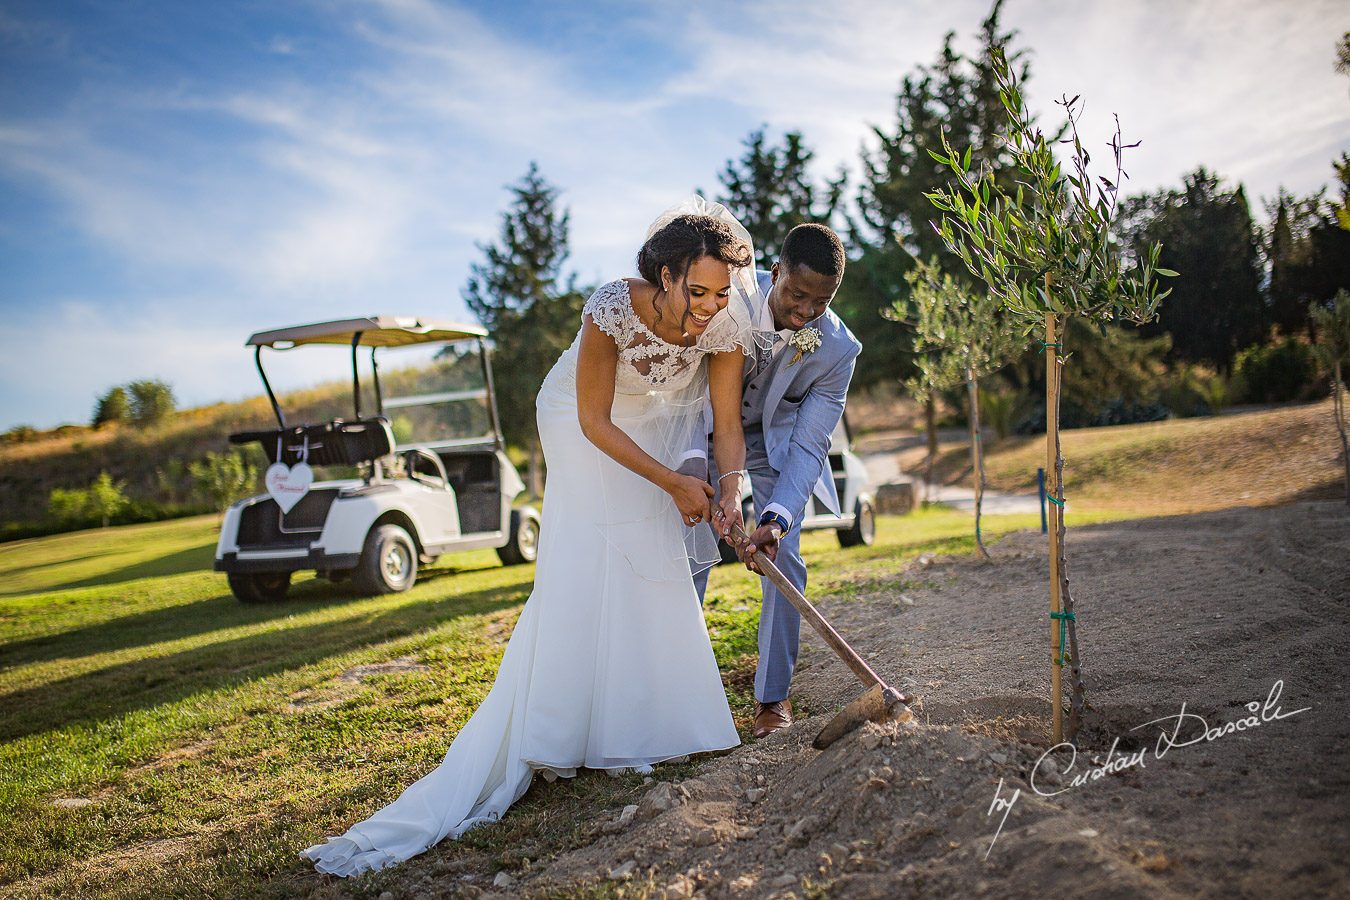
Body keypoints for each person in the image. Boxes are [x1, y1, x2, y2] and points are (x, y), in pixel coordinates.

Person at [301, 200, 760, 877]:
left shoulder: (723, 326)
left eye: (722, 293)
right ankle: (561, 722)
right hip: (582, 420)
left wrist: (727, 491)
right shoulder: (611, 307)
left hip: (650, 425)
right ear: (664, 276)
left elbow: (726, 426)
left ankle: (650, 720)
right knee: (593, 550)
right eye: (697, 291)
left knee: (649, 548)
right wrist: (669, 482)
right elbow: (593, 422)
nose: (709, 306)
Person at [690, 223, 858, 740]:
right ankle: (682, 694)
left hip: (773, 451)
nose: (807, 312)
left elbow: (810, 445)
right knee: (685, 553)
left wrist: (776, 517)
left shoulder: (836, 350)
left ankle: (772, 697)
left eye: (822, 302)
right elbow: (683, 388)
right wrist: (705, 474)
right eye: (797, 294)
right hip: (699, 434)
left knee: (787, 557)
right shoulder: (726, 300)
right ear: (776, 271)